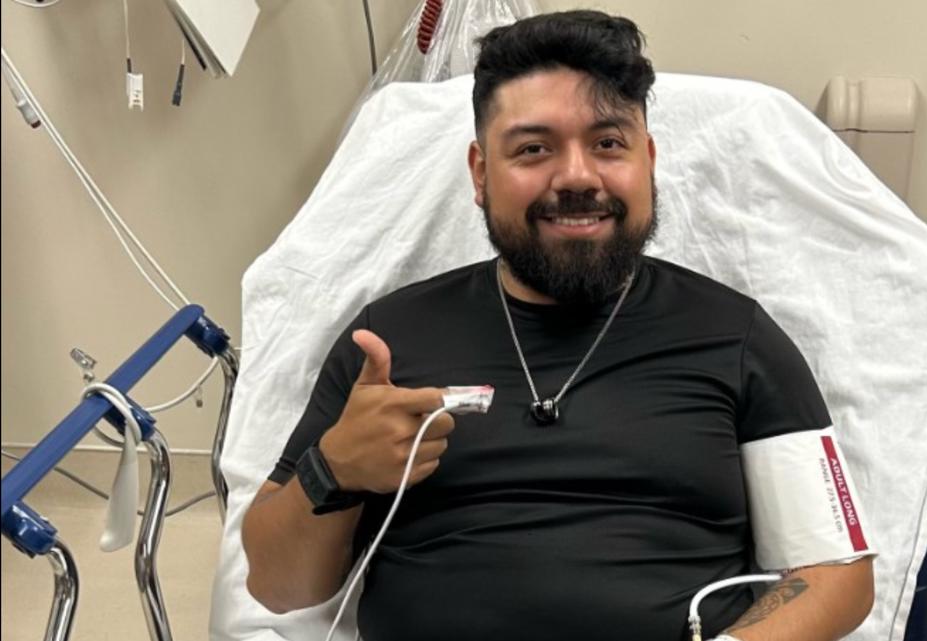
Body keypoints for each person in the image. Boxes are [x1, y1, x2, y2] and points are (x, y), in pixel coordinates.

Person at [242, 10, 874, 641]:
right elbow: (277, 587)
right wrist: (334, 470)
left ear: (648, 160)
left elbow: (833, 572)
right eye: (533, 149)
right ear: (480, 173)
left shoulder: (736, 339)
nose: (576, 177)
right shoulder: (388, 340)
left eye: (608, 144)